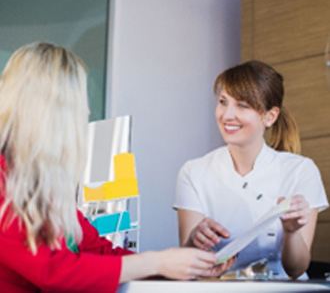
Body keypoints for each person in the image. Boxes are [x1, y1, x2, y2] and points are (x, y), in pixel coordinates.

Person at [0, 42, 233, 292]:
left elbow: (96, 249)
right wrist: (157, 263)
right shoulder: (5, 179)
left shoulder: (41, 184)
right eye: (79, 103)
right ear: (51, 110)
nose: (87, 111)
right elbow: (54, 270)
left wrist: (179, 266)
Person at [174, 60, 329, 279]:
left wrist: (292, 232)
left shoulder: (300, 171)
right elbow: (188, 264)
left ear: (270, 116)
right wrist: (194, 239)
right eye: (223, 102)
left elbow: (296, 269)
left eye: (242, 105)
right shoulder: (193, 172)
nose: (227, 115)